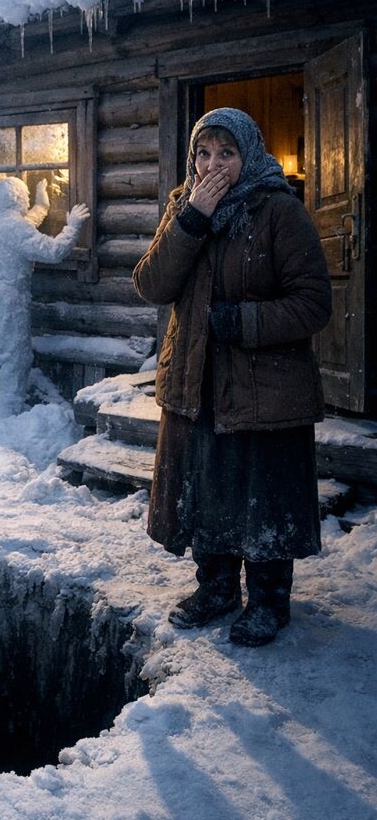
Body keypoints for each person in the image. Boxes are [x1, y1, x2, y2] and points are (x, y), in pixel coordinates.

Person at [133, 107, 332, 647]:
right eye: (203, 153)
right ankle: (216, 587)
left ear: (250, 156)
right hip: (197, 381)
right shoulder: (185, 207)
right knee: (206, 486)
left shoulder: (278, 211)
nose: (213, 164)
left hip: (265, 387)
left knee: (261, 491)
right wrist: (193, 217)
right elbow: (151, 285)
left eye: (227, 153)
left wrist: (241, 321)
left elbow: (313, 303)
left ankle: (269, 599)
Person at [0, 177, 90, 415]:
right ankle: (9, 411)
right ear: (17, 198)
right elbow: (54, 251)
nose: (27, 201)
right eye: (25, 196)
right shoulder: (16, 227)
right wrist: (73, 226)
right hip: (8, 296)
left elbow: (23, 228)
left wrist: (42, 205)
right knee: (13, 355)